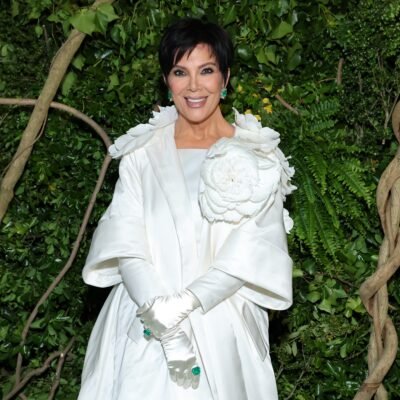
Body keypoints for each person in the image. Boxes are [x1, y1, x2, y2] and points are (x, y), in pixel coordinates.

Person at [78, 18, 296, 400]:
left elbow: (252, 252)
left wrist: (181, 307)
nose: (194, 86)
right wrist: (165, 327)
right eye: (181, 72)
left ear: (225, 78)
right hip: (142, 323)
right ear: (167, 80)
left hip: (222, 325)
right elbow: (126, 244)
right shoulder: (141, 155)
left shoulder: (260, 158)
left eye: (206, 71)